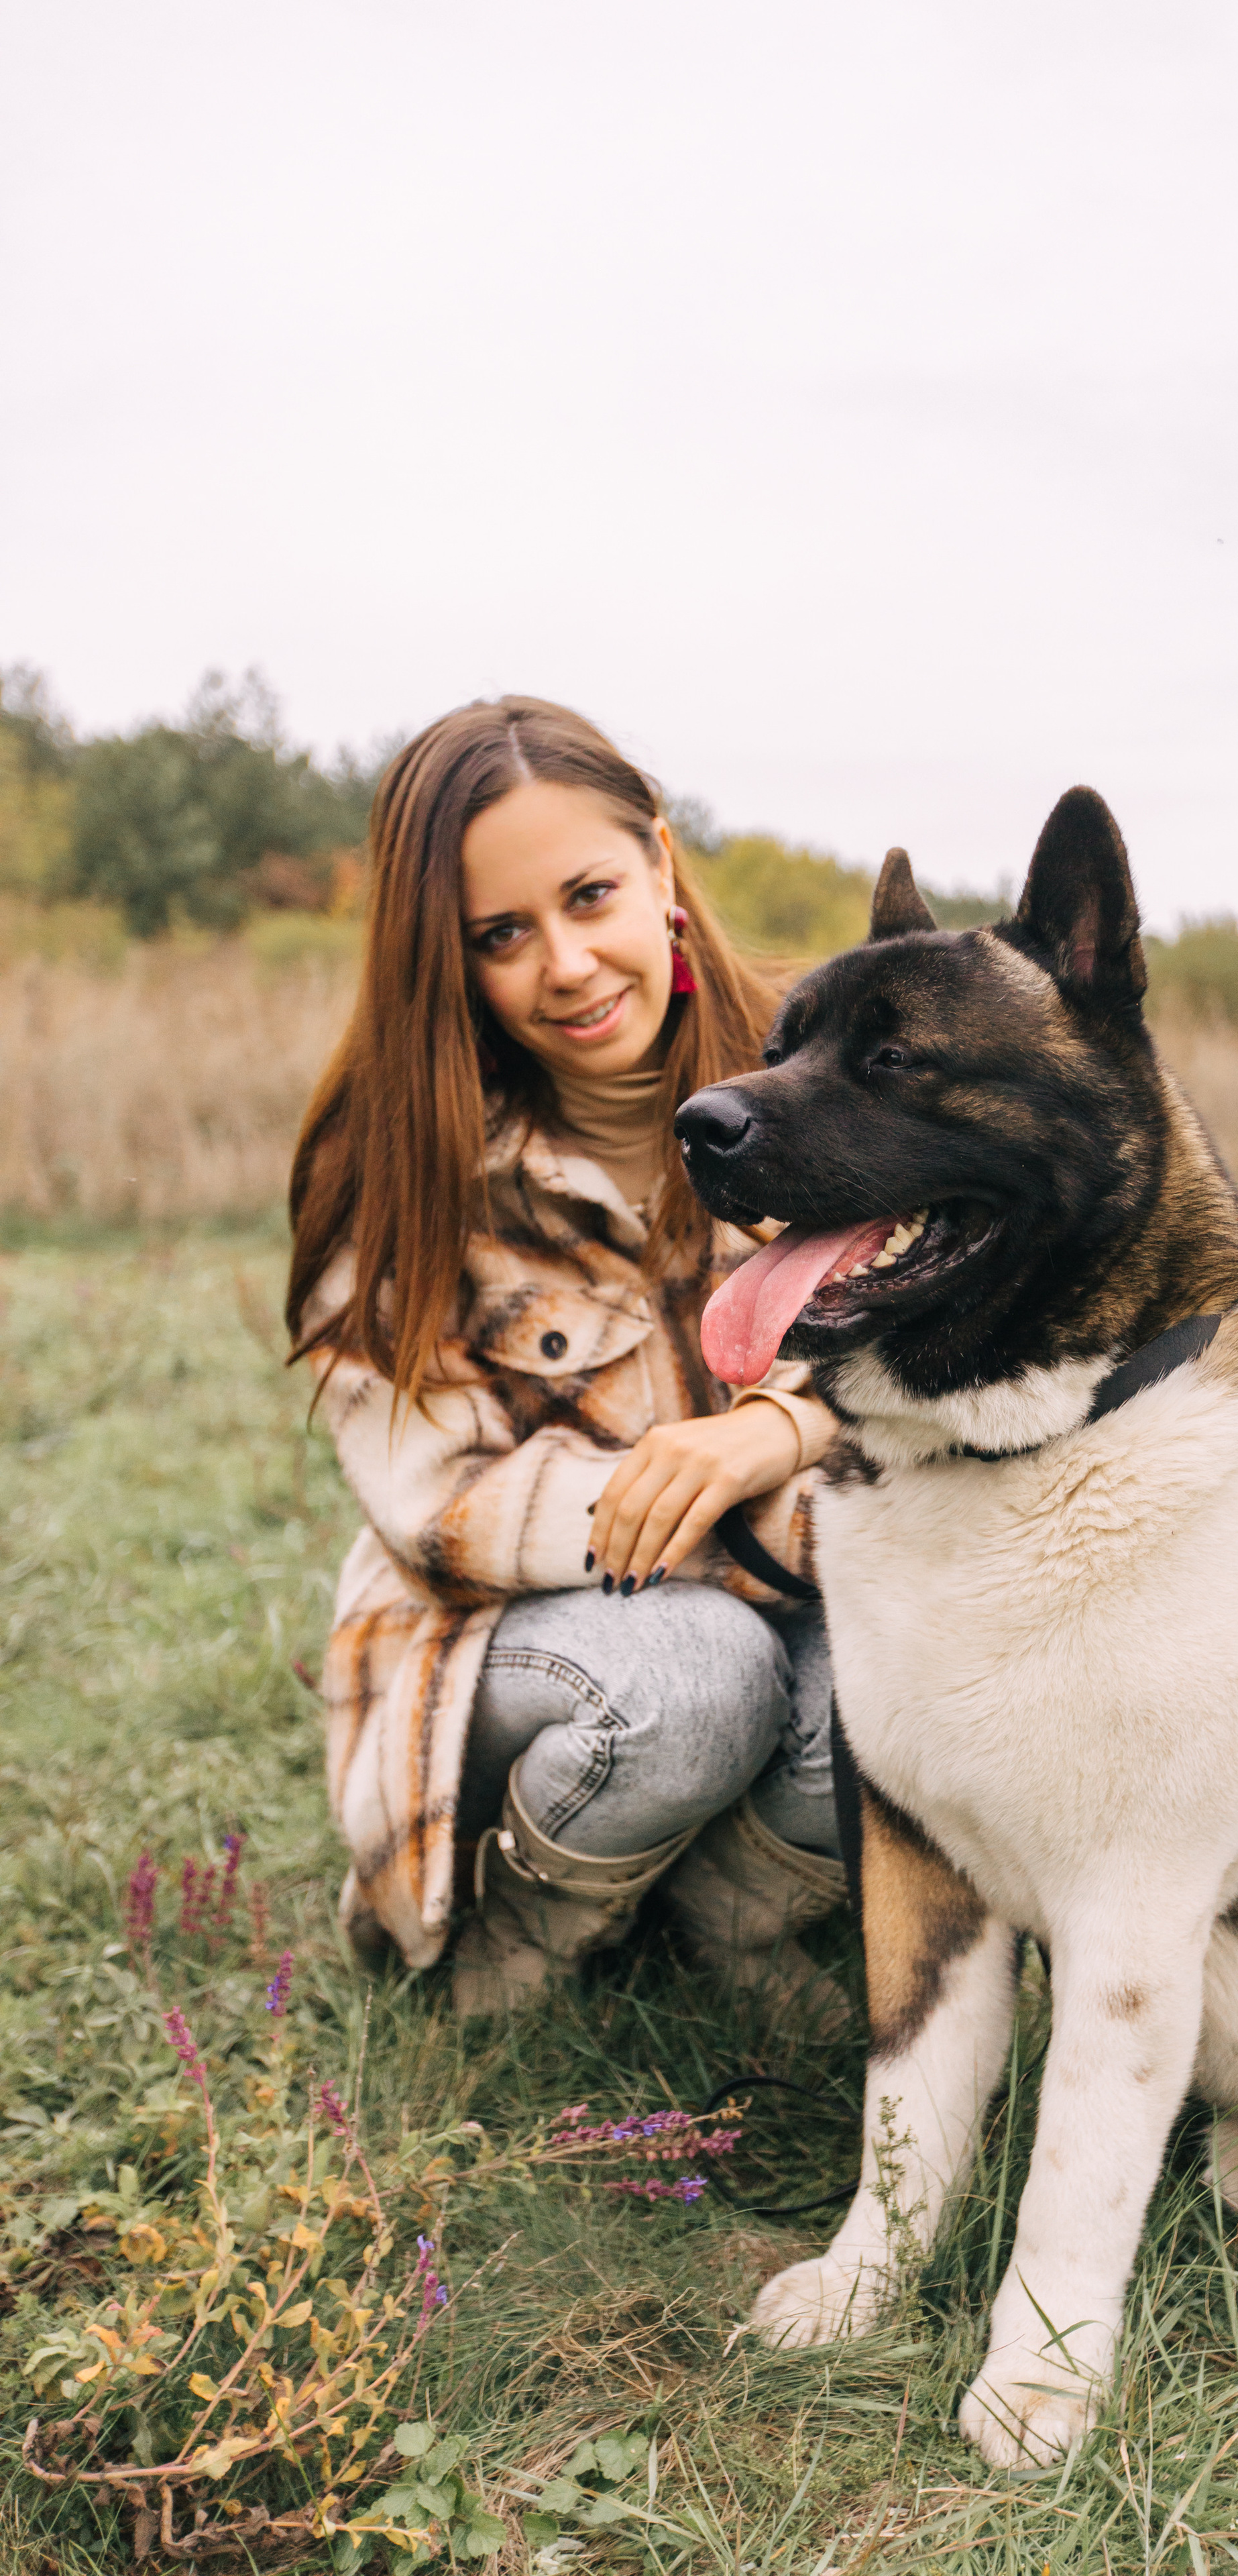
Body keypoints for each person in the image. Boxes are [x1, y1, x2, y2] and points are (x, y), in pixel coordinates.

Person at [286, 696, 847, 2020]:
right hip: (498, 1651)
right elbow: (444, 1511)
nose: (570, 964)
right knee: (701, 1672)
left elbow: (960, 1369)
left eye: (590, 894)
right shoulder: (401, 1165)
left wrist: (778, 1431)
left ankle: (725, 1927)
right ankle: (513, 1965)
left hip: (805, 1568)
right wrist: (739, 1503)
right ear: (449, 961)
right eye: (501, 936)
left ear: (659, 866)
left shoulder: (834, 1089)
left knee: (893, 1661)